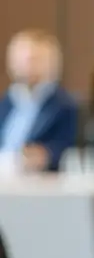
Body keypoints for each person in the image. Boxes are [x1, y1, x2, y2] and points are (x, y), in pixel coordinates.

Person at [0, 30, 77, 172]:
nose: (26, 66)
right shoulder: (7, 102)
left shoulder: (65, 106)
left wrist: (45, 156)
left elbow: (70, 150)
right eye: (20, 58)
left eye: (33, 59)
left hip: (38, 183)